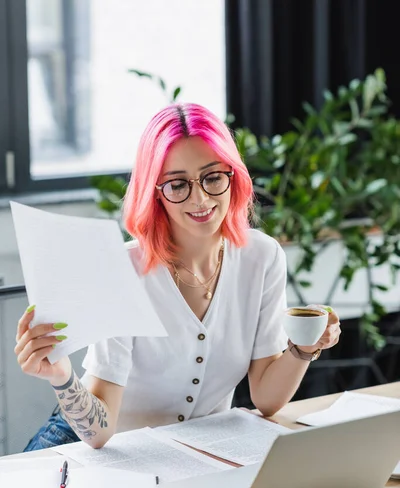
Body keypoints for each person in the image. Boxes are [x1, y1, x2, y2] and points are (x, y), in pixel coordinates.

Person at [15, 103, 341, 452]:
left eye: (213, 177)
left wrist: (306, 346)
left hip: (196, 451)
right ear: (155, 192)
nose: (200, 198)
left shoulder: (262, 257)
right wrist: (62, 377)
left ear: (234, 177)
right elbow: (99, 432)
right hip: (89, 442)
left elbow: (267, 399)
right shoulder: (126, 269)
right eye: (177, 184)